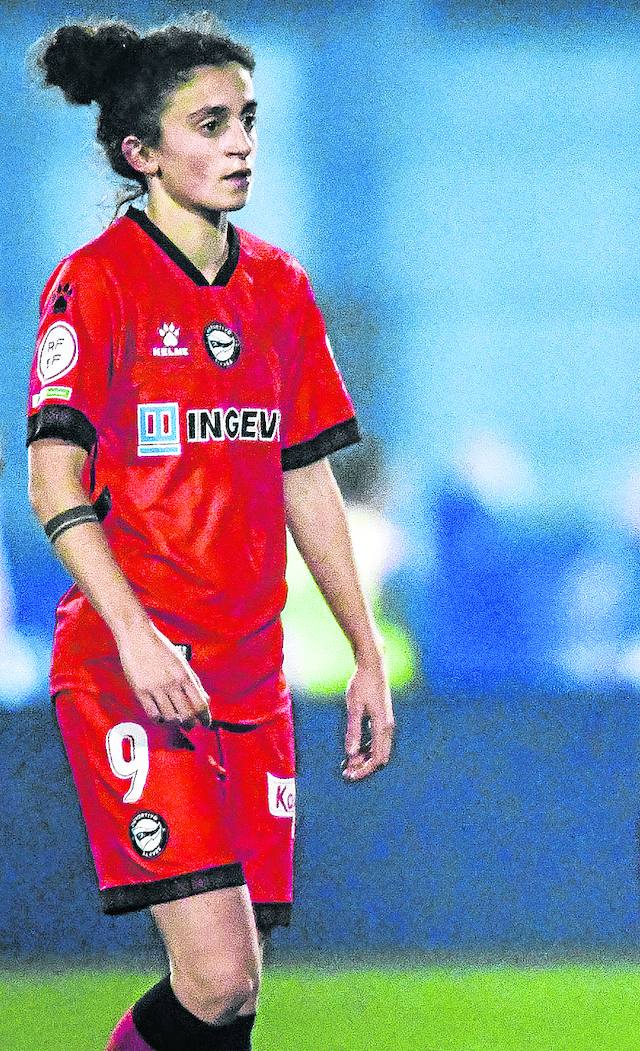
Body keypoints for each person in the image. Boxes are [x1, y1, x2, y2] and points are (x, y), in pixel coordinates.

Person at [27, 16, 394, 1051]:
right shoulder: (95, 283)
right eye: (211, 123)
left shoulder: (277, 287)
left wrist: (364, 648)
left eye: (247, 120)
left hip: (246, 674)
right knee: (218, 968)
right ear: (141, 152)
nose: (241, 144)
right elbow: (55, 476)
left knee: (233, 996)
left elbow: (305, 475)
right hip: (129, 668)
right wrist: (137, 636)